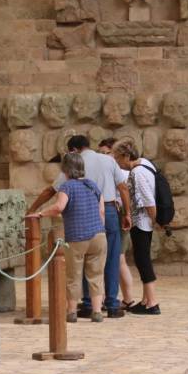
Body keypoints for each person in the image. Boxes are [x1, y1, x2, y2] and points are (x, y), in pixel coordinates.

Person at [28, 134, 131, 318]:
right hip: (108, 209)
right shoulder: (108, 160)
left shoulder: (73, 163)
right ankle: (112, 304)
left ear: (73, 150)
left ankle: (87, 304)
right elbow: (123, 187)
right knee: (110, 258)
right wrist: (127, 213)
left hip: (82, 213)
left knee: (81, 261)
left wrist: (34, 209)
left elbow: (51, 191)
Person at [26, 153, 106, 322]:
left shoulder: (67, 187)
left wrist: (39, 214)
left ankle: (71, 312)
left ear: (65, 170)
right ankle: (97, 312)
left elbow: (59, 207)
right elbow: (101, 211)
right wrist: (99, 228)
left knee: (73, 275)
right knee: (96, 274)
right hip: (99, 235)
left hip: (78, 236)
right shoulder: (93, 185)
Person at [113, 139, 160, 315]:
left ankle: (152, 302)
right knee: (143, 259)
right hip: (144, 221)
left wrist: (157, 221)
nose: (117, 162)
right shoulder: (146, 164)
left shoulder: (137, 172)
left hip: (142, 222)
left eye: (118, 158)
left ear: (126, 155)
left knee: (143, 260)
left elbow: (148, 201)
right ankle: (147, 299)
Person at [98, 137, 135, 309]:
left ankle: (126, 299)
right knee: (112, 258)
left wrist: (126, 214)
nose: (104, 157)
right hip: (115, 214)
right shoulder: (112, 169)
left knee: (118, 259)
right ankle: (115, 297)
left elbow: (123, 192)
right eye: (102, 153)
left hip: (117, 215)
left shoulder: (122, 172)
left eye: (107, 153)